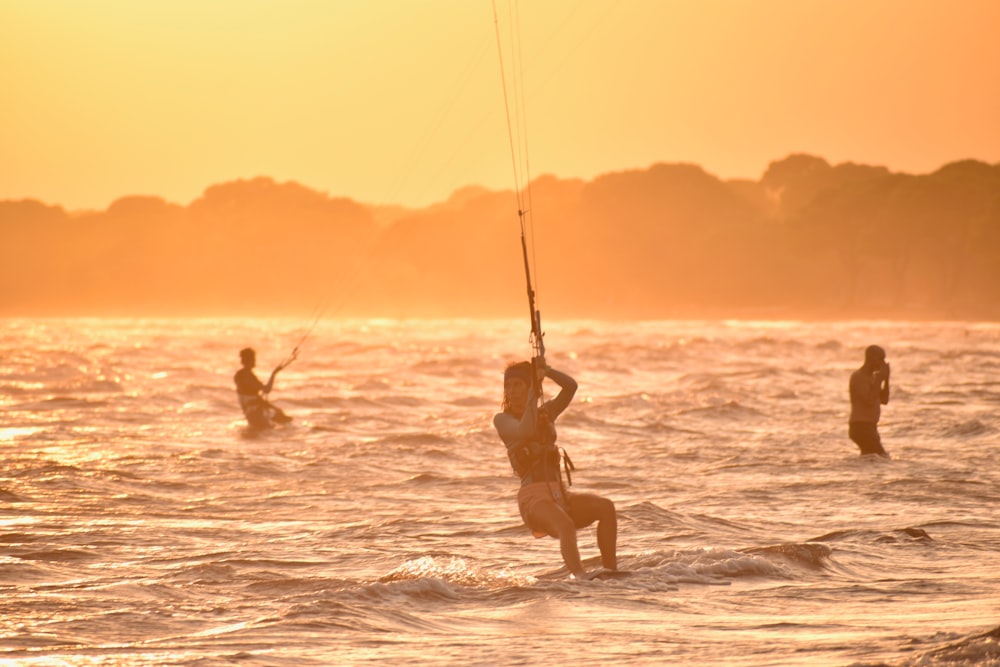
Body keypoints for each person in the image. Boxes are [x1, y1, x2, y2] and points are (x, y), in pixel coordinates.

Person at [493, 356, 618, 579]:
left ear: (529, 385)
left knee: (606, 507)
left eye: (518, 385)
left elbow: (571, 387)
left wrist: (546, 371)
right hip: (534, 500)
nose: (511, 391)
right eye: (508, 386)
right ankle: (581, 577)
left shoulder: (546, 412)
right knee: (566, 525)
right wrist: (534, 393)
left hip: (560, 495)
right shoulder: (502, 420)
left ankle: (611, 572)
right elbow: (525, 431)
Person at [234, 347, 294, 430]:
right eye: (253, 358)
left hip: (249, 412)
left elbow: (247, 394)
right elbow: (267, 390)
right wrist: (274, 373)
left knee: (279, 417)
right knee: (274, 427)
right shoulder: (248, 376)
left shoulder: (239, 374)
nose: (255, 361)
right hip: (255, 412)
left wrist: (273, 408)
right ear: (250, 360)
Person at [848, 344, 891, 457]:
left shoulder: (873, 378)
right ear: (872, 358)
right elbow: (869, 400)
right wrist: (879, 379)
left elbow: (884, 400)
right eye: (880, 359)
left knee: (870, 459)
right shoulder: (858, 377)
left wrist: (886, 380)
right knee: (882, 457)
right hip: (860, 426)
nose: (883, 363)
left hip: (871, 426)